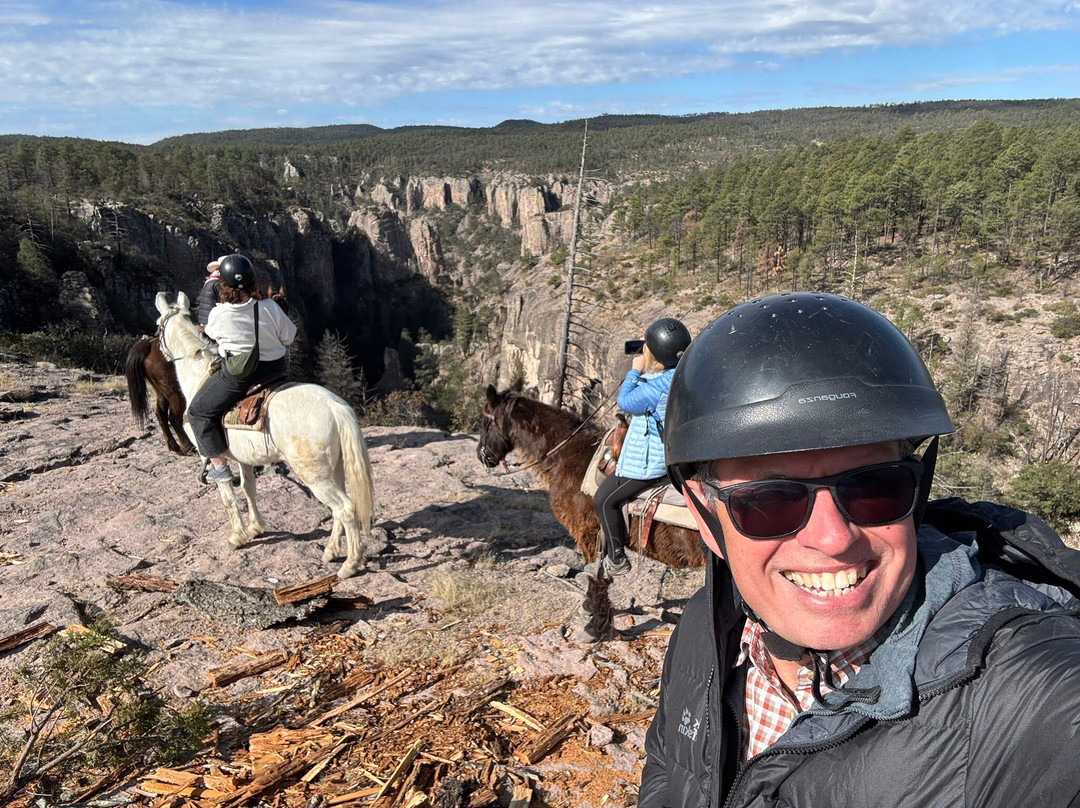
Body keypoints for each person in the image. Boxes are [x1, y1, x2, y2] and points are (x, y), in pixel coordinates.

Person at [639, 292, 1080, 808]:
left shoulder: (1027, 698)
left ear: (917, 493)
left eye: (875, 488)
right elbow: (668, 767)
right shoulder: (706, 628)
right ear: (706, 519)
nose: (833, 538)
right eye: (770, 502)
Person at [594, 317, 691, 576]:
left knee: (604, 500)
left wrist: (635, 371)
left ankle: (616, 558)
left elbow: (625, 401)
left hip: (649, 466)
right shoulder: (681, 374)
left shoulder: (654, 389)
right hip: (673, 452)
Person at [187, 254, 296, 484]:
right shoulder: (270, 307)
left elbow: (213, 336)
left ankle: (219, 468)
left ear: (222, 285)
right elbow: (289, 337)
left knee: (198, 411)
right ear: (253, 282)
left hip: (241, 376)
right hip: (276, 371)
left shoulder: (218, 314)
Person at [196, 255, 228, 329]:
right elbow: (225, 303)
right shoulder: (217, 284)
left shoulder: (210, 280)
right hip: (212, 322)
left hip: (204, 319)